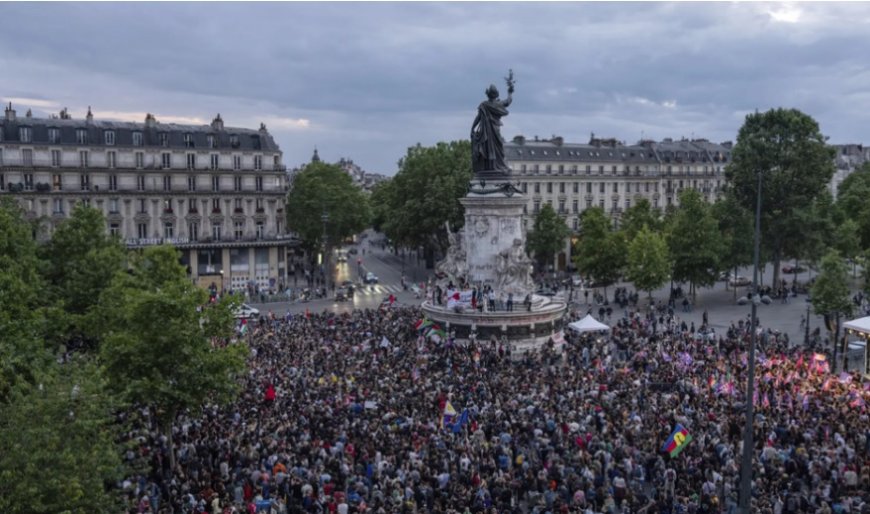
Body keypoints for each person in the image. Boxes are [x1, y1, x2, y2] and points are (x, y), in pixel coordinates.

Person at [470, 71, 514, 176]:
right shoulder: (497, 104)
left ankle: (491, 167)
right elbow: (508, 101)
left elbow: (478, 118)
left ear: (488, 94)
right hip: (494, 129)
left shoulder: (484, 105)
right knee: (498, 148)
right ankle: (497, 167)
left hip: (487, 132)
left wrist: (472, 128)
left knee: (489, 149)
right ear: (496, 94)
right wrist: (510, 92)